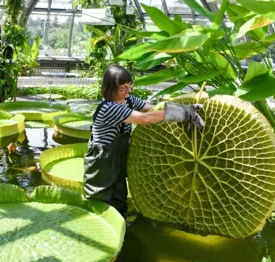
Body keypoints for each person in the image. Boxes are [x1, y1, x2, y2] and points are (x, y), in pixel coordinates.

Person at [83, 64, 205, 214]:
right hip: (101, 161)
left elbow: (151, 109)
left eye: (129, 87)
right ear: (110, 88)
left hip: (117, 158)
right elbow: (145, 118)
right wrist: (182, 113)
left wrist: (181, 108)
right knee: (100, 200)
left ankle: (122, 226)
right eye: (122, 89)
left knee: (119, 196)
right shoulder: (109, 107)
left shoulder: (128, 100)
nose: (127, 92)